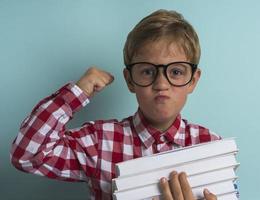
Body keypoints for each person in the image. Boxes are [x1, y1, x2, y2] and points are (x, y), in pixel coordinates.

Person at [10, 9, 234, 200]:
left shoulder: (211, 148)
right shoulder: (99, 142)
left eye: (175, 72)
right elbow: (28, 156)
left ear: (192, 81)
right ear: (129, 80)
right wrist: (76, 94)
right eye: (147, 71)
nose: (161, 84)